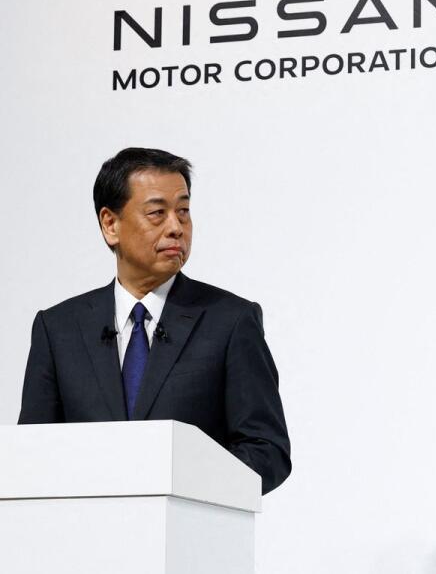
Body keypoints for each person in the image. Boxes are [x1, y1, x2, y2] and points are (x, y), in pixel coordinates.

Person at [18, 148, 291, 493]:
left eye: (183, 212)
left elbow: (267, 451)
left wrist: (180, 485)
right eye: (157, 213)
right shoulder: (58, 329)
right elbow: (32, 456)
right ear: (110, 224)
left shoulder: (231, 321)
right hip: (89, 524)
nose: (176, 228)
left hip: (189, 522)